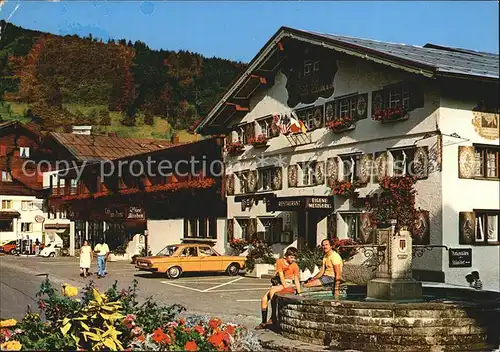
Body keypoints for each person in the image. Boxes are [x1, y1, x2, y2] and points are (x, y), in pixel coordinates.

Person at [255, 247, 301, 330]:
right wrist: (282, 285)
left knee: (272, 290)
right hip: (281, 281)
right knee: (264, 299)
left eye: (294, 258)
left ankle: (273, 317)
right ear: (286, 256)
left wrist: (299, 291)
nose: (293, 259)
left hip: (288, 283)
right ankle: (264, 322)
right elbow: (281, 275)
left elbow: (296, 279)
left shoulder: (295, 266)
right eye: (291, 257)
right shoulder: (280, 262)